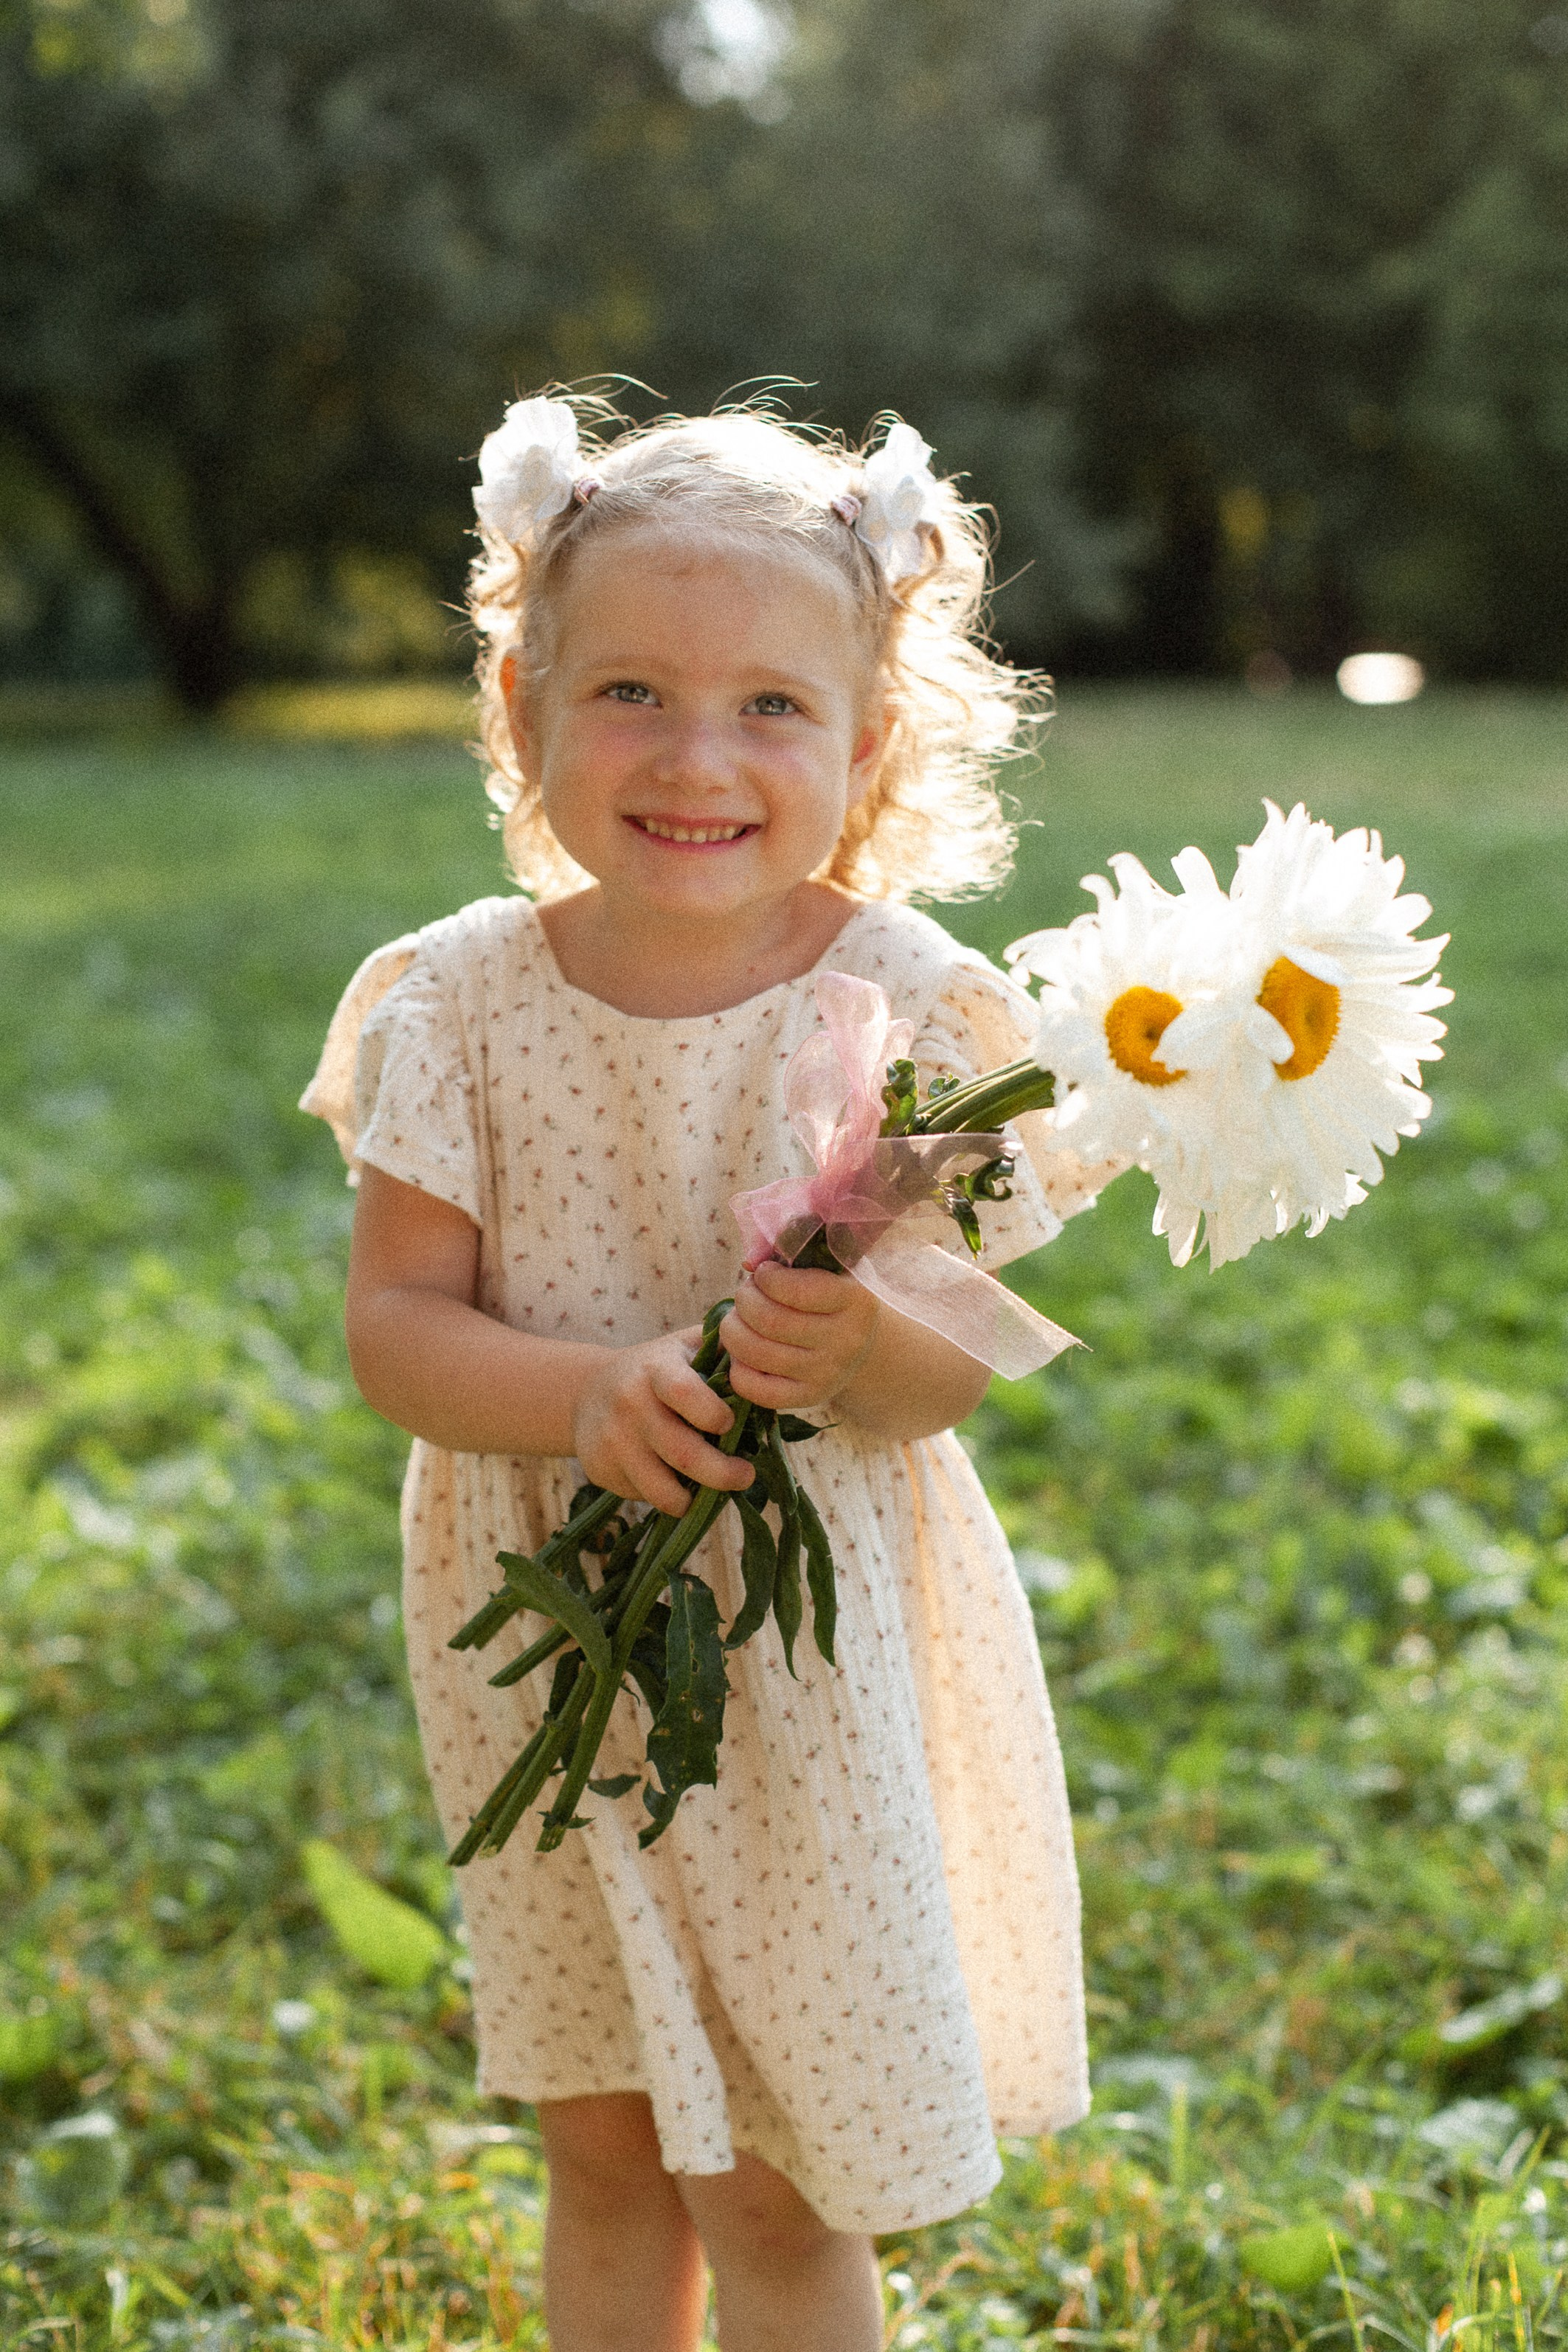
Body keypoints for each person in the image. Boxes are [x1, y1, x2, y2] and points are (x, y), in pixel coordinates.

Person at [302, 394, 1120, 2352]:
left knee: (767, 2161)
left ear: (870, 741)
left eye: (771, 707)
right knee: (598, 2135)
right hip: (549, 1646)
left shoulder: (919, 1010)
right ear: (523, 704)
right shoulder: (460, 997)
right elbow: (398, 1327)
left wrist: (863, 1342)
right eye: (633, 694)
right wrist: (581, 1394)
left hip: (799, 1659)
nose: (697, 756)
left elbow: (947, 1384)